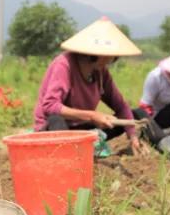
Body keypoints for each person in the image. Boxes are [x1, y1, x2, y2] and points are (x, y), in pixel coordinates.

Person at [33, 17, 145, 155]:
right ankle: (69, 159)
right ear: (97, 54)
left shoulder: (101, 72)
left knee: (136, 114)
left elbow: (120, 106)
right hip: (55, 129)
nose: (112, 58)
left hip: (82, 129)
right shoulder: (64, 65)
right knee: (56, 120)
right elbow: (50, 106)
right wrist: (91, 115)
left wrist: (132, 136)